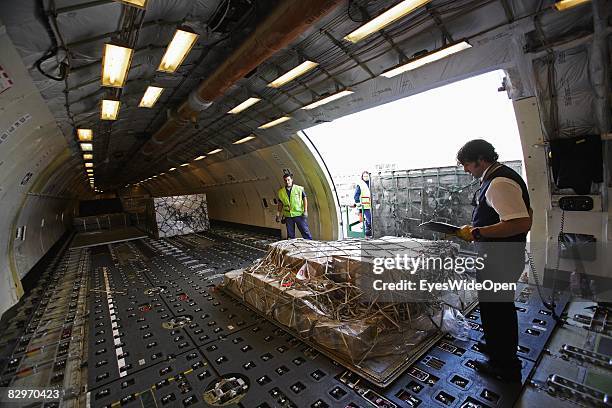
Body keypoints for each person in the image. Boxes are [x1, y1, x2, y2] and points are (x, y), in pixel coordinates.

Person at [454, 139, 532, 382]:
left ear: (480, 159)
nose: (466, 170)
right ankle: (496, 346)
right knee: (492, 307)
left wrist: (479, 232)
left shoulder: (498, 183)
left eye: (467, 164)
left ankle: (504, 364)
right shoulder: (495, 178)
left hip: (500, 259)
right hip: (499, 257)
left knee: (499, 310)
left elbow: (520, 223)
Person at [276, 173, 312, 240]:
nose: (287, 182)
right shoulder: (281, 192)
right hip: (288, 215)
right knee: (290, 235)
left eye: (288, 180)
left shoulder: (299, 189)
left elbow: (304, 199)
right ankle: (291, 248)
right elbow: (280, 203)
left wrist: (305, 211)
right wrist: (278, 214)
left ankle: (310, 244)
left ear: (292, 180)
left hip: (299, 214)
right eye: (285, 180)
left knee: (305, 231)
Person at [353, 170, 373, 237]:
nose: (366, 177)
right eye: (364, 176)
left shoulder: (372, 182)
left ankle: (368, 231)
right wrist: (358, 203)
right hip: (365, 205)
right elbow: (356, 195)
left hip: (372, 205)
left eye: (367, 176)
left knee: (369, 219)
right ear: (362, 177)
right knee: (370, 219)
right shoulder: (360, 184)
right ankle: (369, 230)